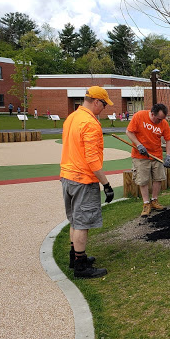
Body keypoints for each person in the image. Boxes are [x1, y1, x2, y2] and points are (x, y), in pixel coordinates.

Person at [60, 86, 114, 279]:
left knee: (75, 219)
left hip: (67, 176)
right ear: (97, 102)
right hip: (83, 179)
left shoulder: (72, 117)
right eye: (104, 105)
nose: (104, 109)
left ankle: (74, 257)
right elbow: (92, 160)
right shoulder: (90, 123)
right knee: (83, 222)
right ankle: (81, 266)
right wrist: (106, 184)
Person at [126, 103, 170, 216]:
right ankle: (146, 204)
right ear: (152, 114)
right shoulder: (139, 116)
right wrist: (138, 145)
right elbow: (129, 132)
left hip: (156, 155)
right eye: (159, 119)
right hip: (140, 156)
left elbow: (168, 140)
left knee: (158, 178)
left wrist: (168, 156)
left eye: (163, 119)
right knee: (143, 180)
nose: (161, 121)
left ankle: (154, 200)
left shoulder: (163, 123)